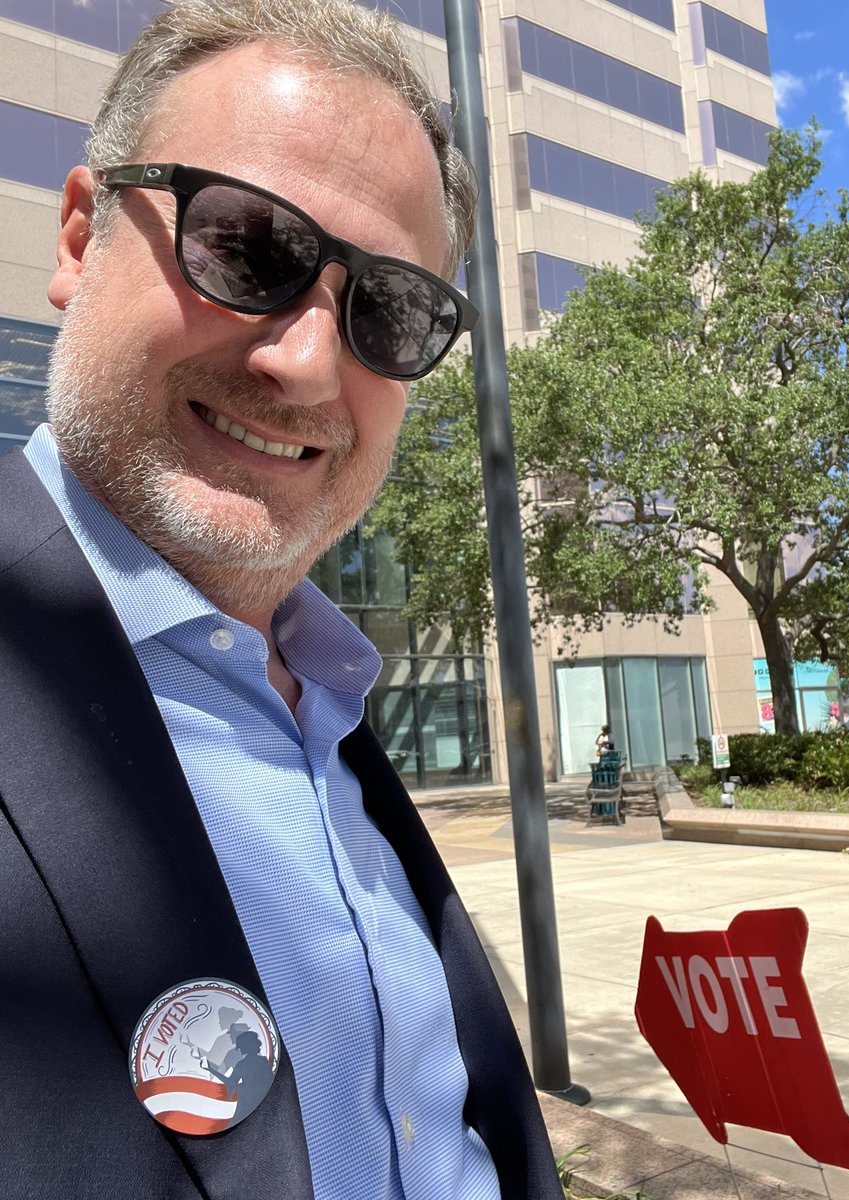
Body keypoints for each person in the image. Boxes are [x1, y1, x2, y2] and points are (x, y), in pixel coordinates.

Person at [0, 2, 561, 1197]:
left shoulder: (331, 704)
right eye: (247, 246)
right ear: (82, 232)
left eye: (389, 311)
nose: (306, 364)